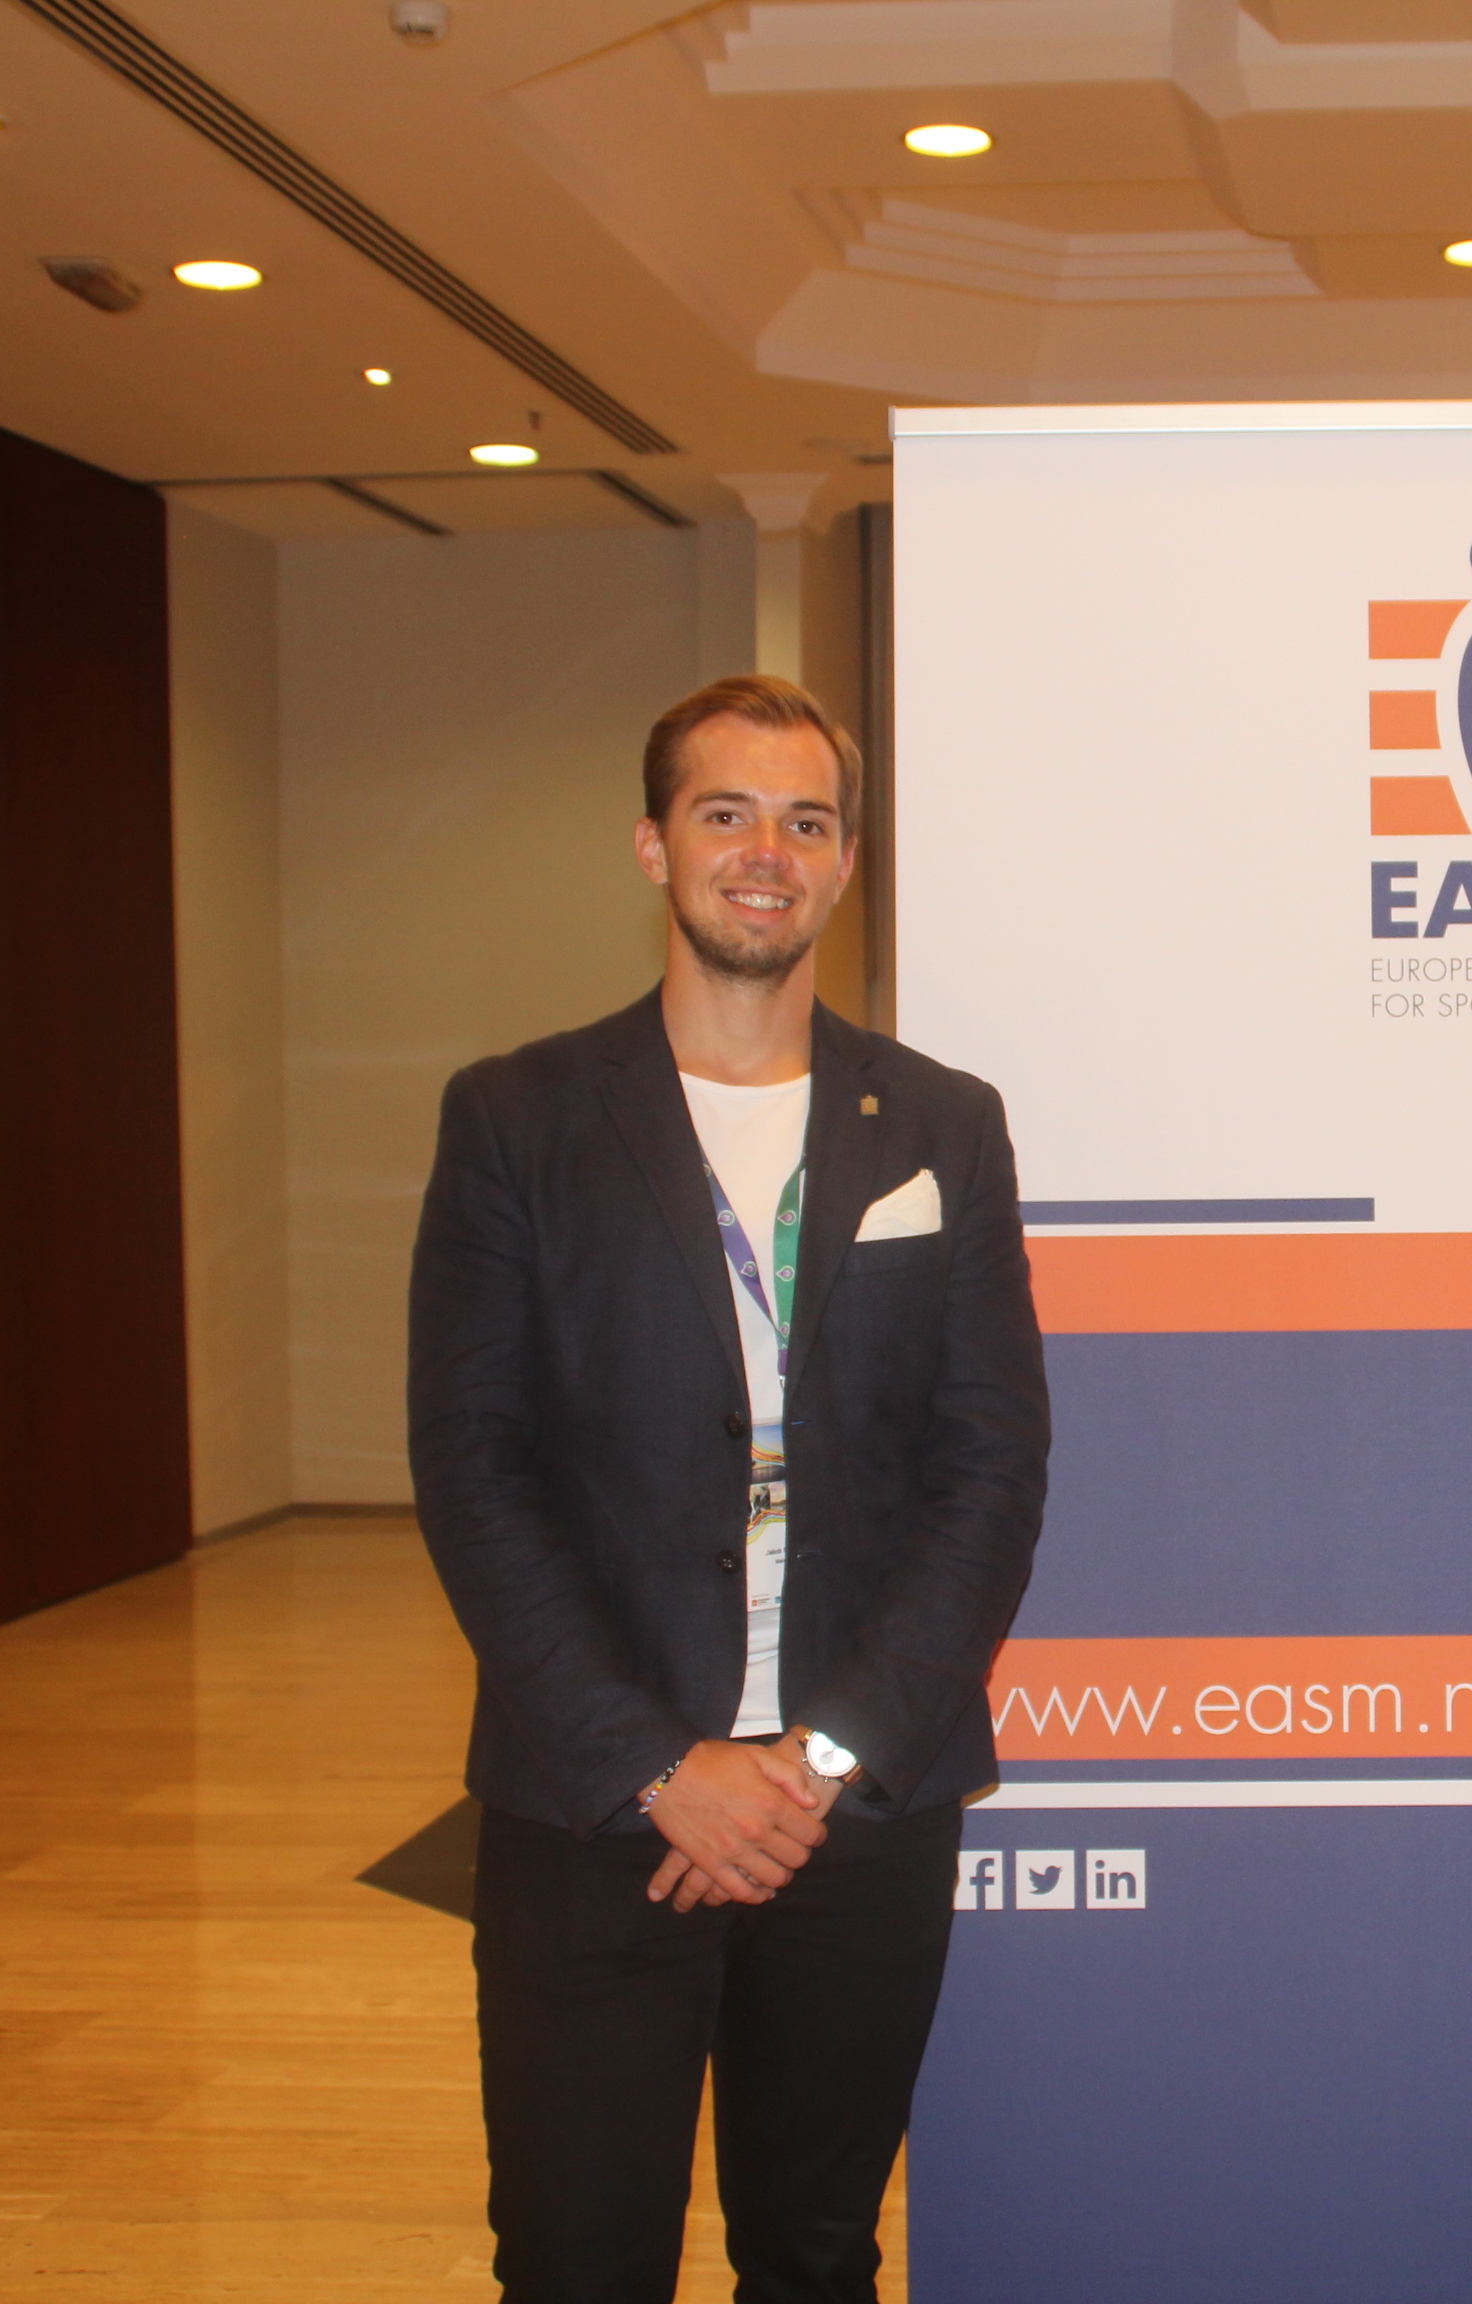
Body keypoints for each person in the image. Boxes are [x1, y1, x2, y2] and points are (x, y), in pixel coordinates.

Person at [407, 673, 1052, 2304]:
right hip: (594, 1810)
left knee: (818, 2257)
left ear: (846, 865)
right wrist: (660, 1766)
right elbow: (472, 1471)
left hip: (858, 1816)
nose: (767, 852)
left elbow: (992, 1467)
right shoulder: (516, 1119)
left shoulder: (944, 1126)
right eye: (726, 813)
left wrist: (812, 1764)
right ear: (654, 845)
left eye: (806, 822)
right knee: (576, 2265)